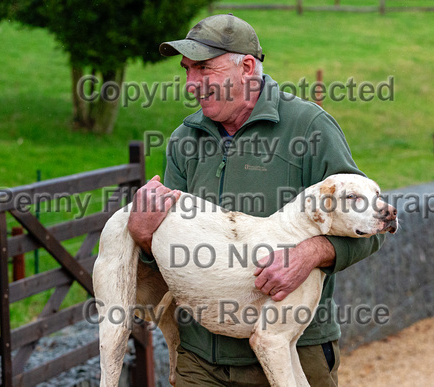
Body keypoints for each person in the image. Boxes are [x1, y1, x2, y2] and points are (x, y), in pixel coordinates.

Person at [127, 14, 384, 386]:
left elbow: (374, 228)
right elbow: (170, 252)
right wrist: (144, 236)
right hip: (200, 358)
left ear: (246, 66)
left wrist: (310, 253)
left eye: (204, 70)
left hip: (294, 350)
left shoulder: (310, 128)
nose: (191, 85)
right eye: (187, 70)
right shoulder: (184, 140)